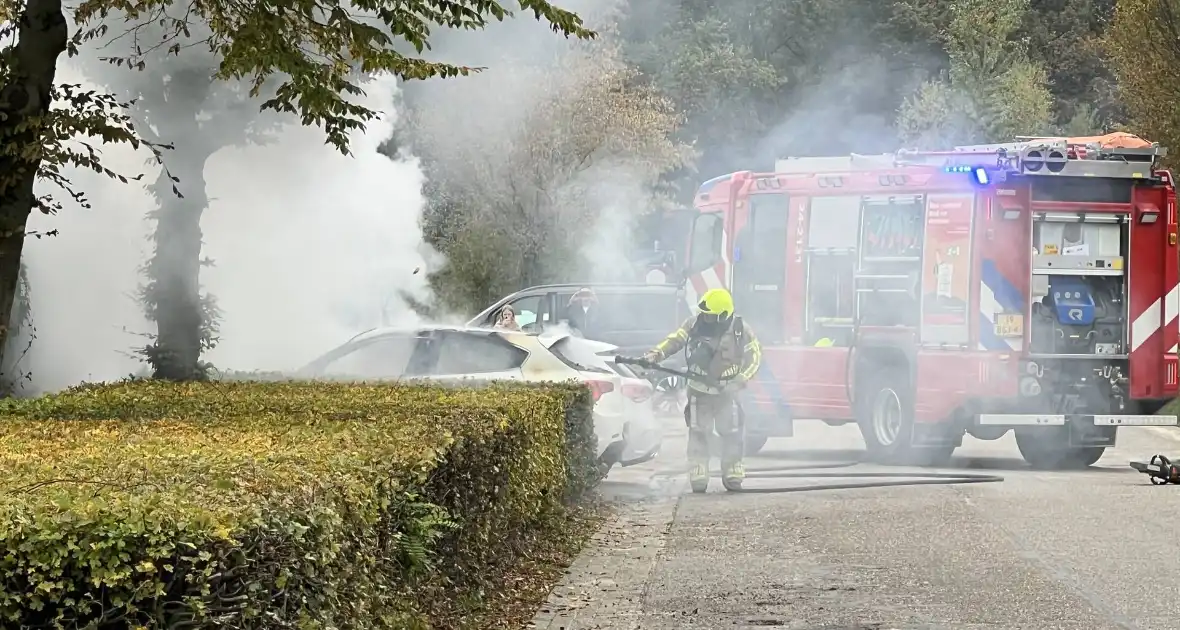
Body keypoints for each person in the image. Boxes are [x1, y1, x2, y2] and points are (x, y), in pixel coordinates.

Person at [639, 287, 762, 493]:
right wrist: (655, 354)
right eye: (704, 313)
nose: (705, 318)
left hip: (727, 393)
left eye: (710, 315)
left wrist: (740, 380)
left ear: (723, 315)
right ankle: (698, 470)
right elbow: (676, 339)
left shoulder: (741, 330)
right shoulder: (694, 324)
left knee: (731, 431)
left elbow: (756, 357)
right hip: (699, 391)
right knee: (698, 431)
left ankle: (732, 469)